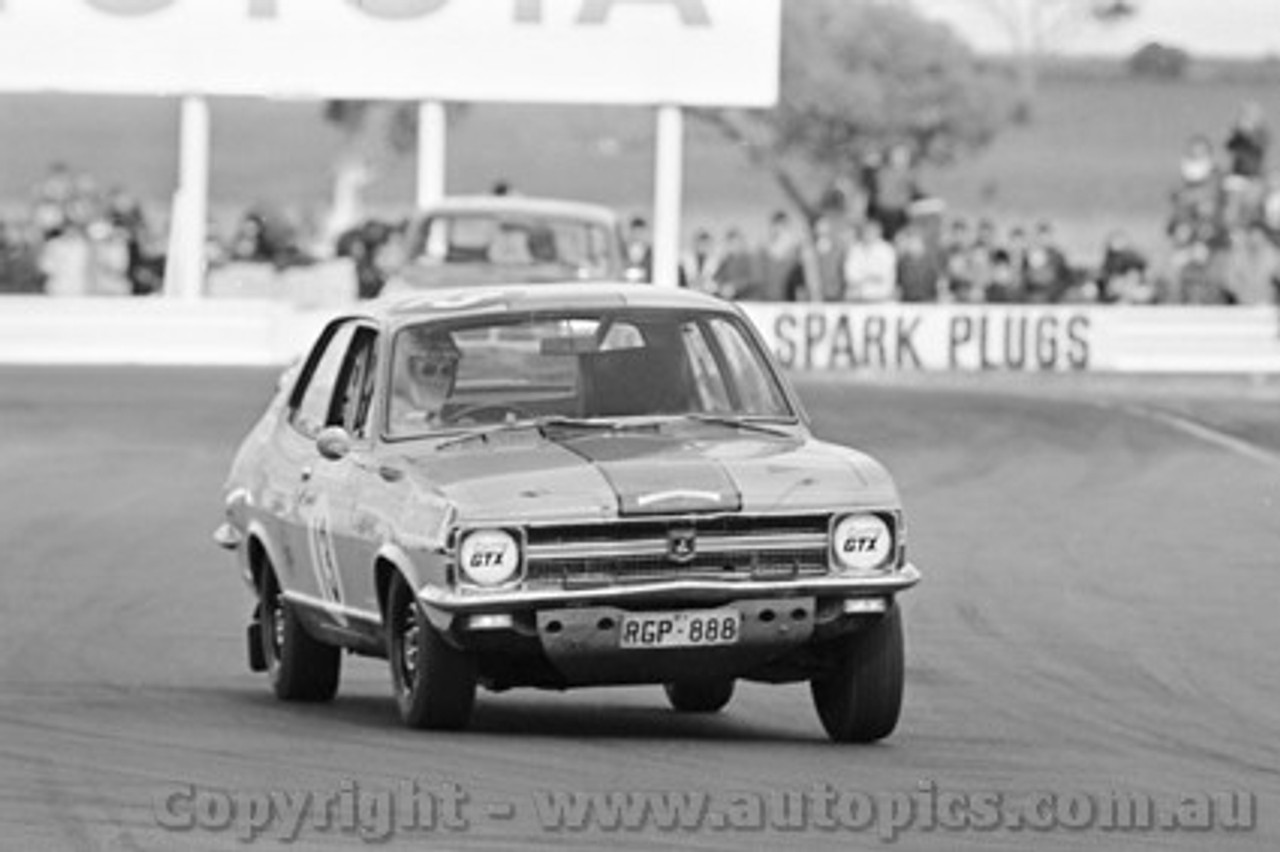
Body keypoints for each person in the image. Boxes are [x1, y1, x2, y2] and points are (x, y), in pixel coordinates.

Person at [389, 327, 462, 433]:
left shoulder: (442, 417)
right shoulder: (390, 423)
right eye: (428, 370)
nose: (439, 380)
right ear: (403, 373)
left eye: (446, 371)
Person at [842, 219, 897, 302]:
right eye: (866, 231)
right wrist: (870, 276)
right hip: (856, 298)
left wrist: (863, 277)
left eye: (872, 231)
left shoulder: (887, 250)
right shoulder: (854, 249)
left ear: (879, 232)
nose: (868, 234)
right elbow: (850, 277)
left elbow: (883, 275)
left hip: (882, 298)